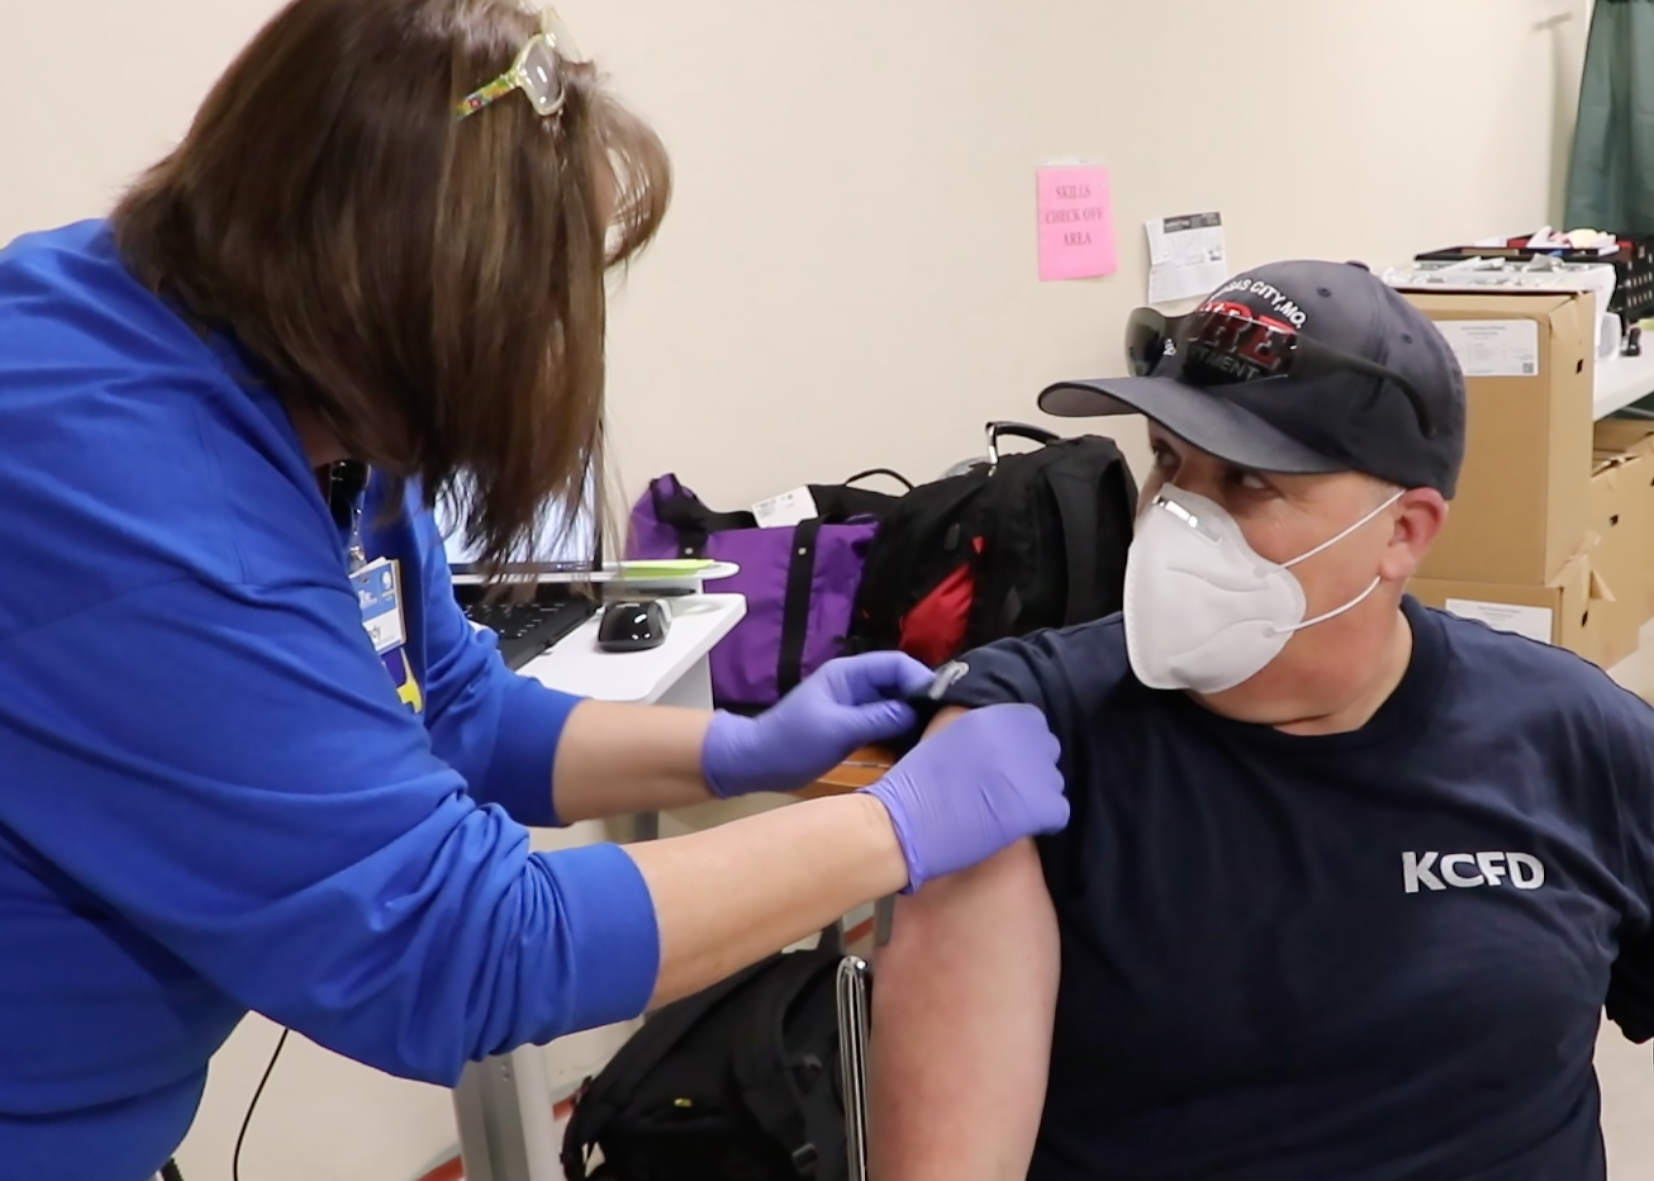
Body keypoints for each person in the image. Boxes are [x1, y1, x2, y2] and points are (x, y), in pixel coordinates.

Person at [0, 3, 1070, 1178]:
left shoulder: (303, 383)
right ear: (398, 283)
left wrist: (738, 749)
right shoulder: (131, 497)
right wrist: (890, 825)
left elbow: (451, 705)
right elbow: (462, 947)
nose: (549, 344)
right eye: (536, 299)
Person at [869, 260, 1654, 1181]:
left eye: (1247, 479)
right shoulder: (1026, 739)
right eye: (1167, 460)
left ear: (1404, 531)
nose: (1176, 519)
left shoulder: (1574, 739)